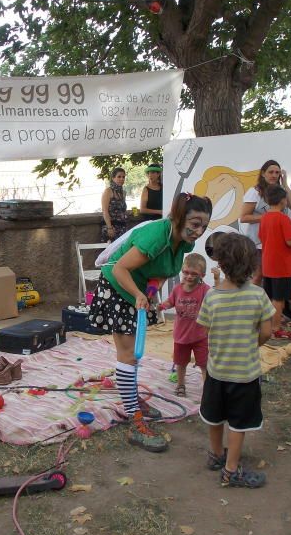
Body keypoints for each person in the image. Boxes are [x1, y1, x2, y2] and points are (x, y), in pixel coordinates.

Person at [89, 193, 213, 452]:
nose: (199, 231)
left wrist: (152, 290)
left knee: (134, 356)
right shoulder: (157, 235)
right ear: (179, 218)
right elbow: (120, 268)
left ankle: (132, 400)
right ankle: (135, 422)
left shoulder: (183, 242)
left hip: (136, 293)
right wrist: (138, 295)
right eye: (194, 224)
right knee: (128, 356)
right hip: (118, 288)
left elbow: (159, 271)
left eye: (204, 225)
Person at [196, 232, 274, 488]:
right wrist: (252, 345)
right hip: (245, 374)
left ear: (221, 264)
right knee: (239, 424)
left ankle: (216, 454)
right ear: (252, 264)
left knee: (215, 417)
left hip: (217, 372)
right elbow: (266, 332)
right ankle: (231, 470)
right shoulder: (258, 296)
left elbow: (206, 331)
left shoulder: (212, 297)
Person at [239, 160, 291, 284]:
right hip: (258, 243)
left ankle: (271, 302)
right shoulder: (255, 192)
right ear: (263, 173)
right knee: (258, 276)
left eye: (277, 172)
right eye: (270, 172)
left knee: (277, 276)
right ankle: (251, 302)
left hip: (280, 243)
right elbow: (244, 217)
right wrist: (270, 217)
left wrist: (285, 184)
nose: (274, 175)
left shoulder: (281, 191)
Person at [158, 252, 210, 397]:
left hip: (200, 336)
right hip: (181, 336)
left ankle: (208, 389)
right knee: (180, 363)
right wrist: (162, 306)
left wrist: (218, 279)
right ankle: (181, 385)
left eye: (194, 274)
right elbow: (171, 301)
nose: (189, 276)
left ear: (202, 275)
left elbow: (214, 299)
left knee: (204, 364)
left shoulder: (204, 290)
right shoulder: (177, 289)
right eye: (186, 272)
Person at [258, 186, 291, 340]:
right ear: (283, 200)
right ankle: (276, 328)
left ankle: (267, 326)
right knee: (279, 299)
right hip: (281, 265)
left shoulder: (264, 218)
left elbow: (261, 237)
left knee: (269, 297)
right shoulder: (283, 218)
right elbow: (290, 241)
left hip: (268, 263)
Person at [100, 167, 129, 242]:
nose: (122, 179)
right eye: (119, 177)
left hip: (122, 226)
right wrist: (109, 227)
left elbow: (122, 210)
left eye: (123, 177)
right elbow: (104, 210)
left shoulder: (123, 192)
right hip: (111, 227)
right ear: (113, 178)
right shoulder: (108, 191)